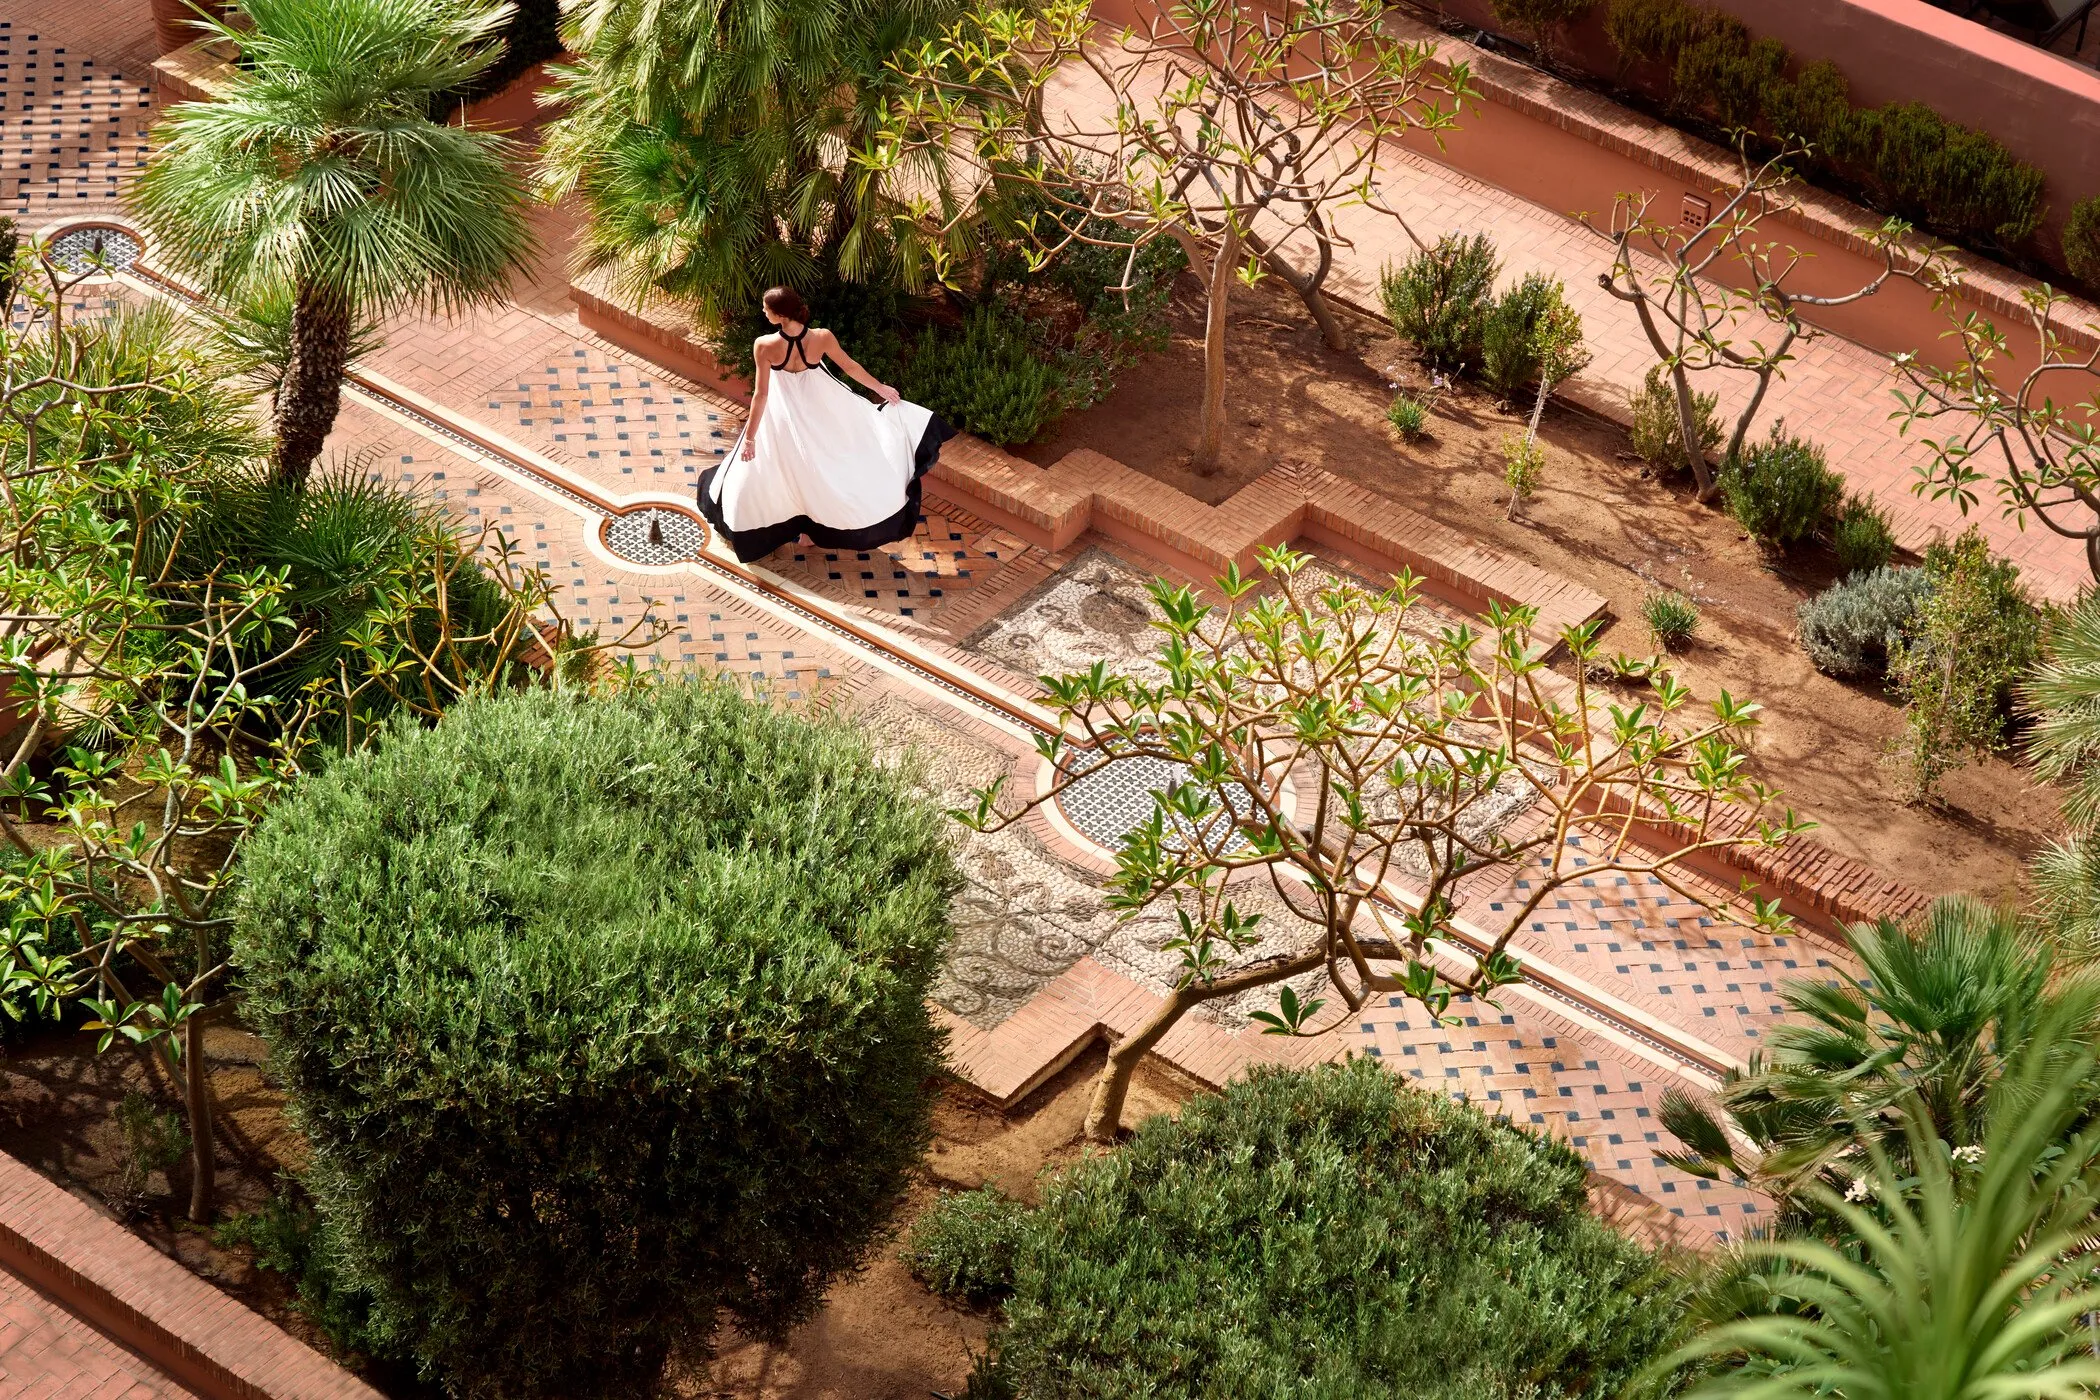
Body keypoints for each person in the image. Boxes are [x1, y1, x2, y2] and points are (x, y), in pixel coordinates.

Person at [697, 286, 954, 563]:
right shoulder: (821, 337)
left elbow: (761, 395)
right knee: (822, 469)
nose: (762, 311)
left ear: (780, 314)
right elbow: (850, 367)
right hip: (822, 407)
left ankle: (787, 529)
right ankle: (811, 531)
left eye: (765, 308)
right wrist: (879, 387)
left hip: (785, 413)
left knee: (782, 470)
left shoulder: (764, 345)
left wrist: (750, 438)